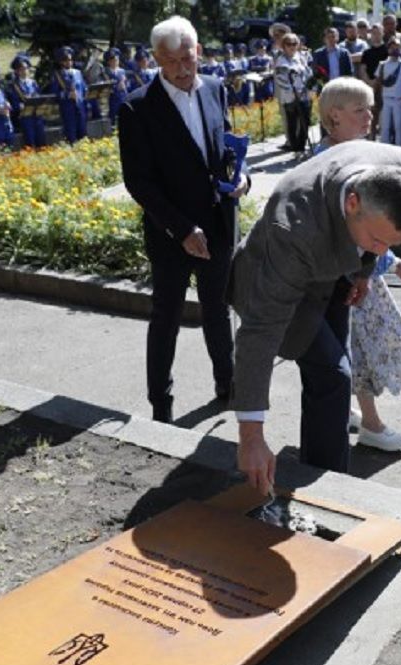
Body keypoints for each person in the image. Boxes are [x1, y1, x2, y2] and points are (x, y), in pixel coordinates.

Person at [230, 142, 401, 494]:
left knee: (332, 378)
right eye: (376, 240)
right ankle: (326, 490)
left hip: (334, 273)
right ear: (353, 203)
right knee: (333, 376)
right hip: (275, 280)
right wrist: (251, 436)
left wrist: (364, 271)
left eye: (391, 245)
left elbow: (375, 240)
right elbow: (260, 329)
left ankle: (320, 481)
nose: (382, 252)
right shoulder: (294, 227)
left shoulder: (400, 166)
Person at [117, 16, 249, 424]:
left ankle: (227, 383)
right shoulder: (137, 107)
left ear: (199, 52)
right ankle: (162, 403)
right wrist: (182, 229)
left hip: (218, 224)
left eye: (187, 58)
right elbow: (138, 182)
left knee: (217, 310)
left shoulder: (213, 88)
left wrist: (241, 177)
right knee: (167, 318)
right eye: (171, 61)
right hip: (171, 232)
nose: (181, 68)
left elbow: (226, 148)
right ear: (156, 59)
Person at [315, 78, 401, 452]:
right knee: (358, 349)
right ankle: (371, 424)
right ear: (334, 116)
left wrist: (392, 263)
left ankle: (355, 413)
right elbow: (348, 230)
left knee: (356, 348)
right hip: (342, 279)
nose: (369, 116)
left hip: (360, 275)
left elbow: (373, 226)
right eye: (360, 110)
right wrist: (388, 265)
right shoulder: (326, 164)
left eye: (370, 108)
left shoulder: (360, 156)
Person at [274, 33, 312, 156]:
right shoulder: (281, 60)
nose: (292, 46)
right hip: (290, 97)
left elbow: (308, 73)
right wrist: (293, 92)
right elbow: (281, 80)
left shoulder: (301, 57)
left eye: (295, 44)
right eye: (289, 44)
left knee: (305, 121)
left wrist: (310, 86)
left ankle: (302, 147)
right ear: (284, 46)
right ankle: (295, 148)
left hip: (304, 94)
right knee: (292, 123)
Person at [375, 37, 401, 147]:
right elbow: (378, 82)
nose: (395, 50)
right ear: (388, 49)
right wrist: (377, 98)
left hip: (399, 99)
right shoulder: (382, 64)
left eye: (397, 47)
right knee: (385, 126)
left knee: (398, 126)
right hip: (385, 99)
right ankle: (384, 148)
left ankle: (400, 147)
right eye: (392, 47)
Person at [48, 46, 87, 143]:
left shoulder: (78, 73)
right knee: (71, 135)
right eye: (65, 60)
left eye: (70, 60)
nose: (69, 62)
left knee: (83, 133)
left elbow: (84, 88)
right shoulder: (57, 75)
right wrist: (68, 95)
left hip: (80, 106)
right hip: (67, 108)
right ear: (61, 62)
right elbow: (55, 93)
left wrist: (83, 96)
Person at [7, 56, 47, 149]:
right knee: (30, 140)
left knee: (41, 139)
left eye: (26, 69)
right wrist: (19, 106)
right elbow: (13, 101)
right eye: (21, 69)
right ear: (16, 71)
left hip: (37, 114)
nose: (24, 71)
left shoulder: (33, 83)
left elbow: (38, 95)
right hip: (24, 116)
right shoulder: (13, 85)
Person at [104, 48, 129, 124]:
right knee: (113, 119)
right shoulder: (106, 72)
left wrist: (125, 85)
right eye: (113, 60)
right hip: (112, 99)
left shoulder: (122, 71)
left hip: (123, 97)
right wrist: (116, 87)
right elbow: (105, 86)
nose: (115, 62)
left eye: (117, 60)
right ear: (109, 61)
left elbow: (127, 84)